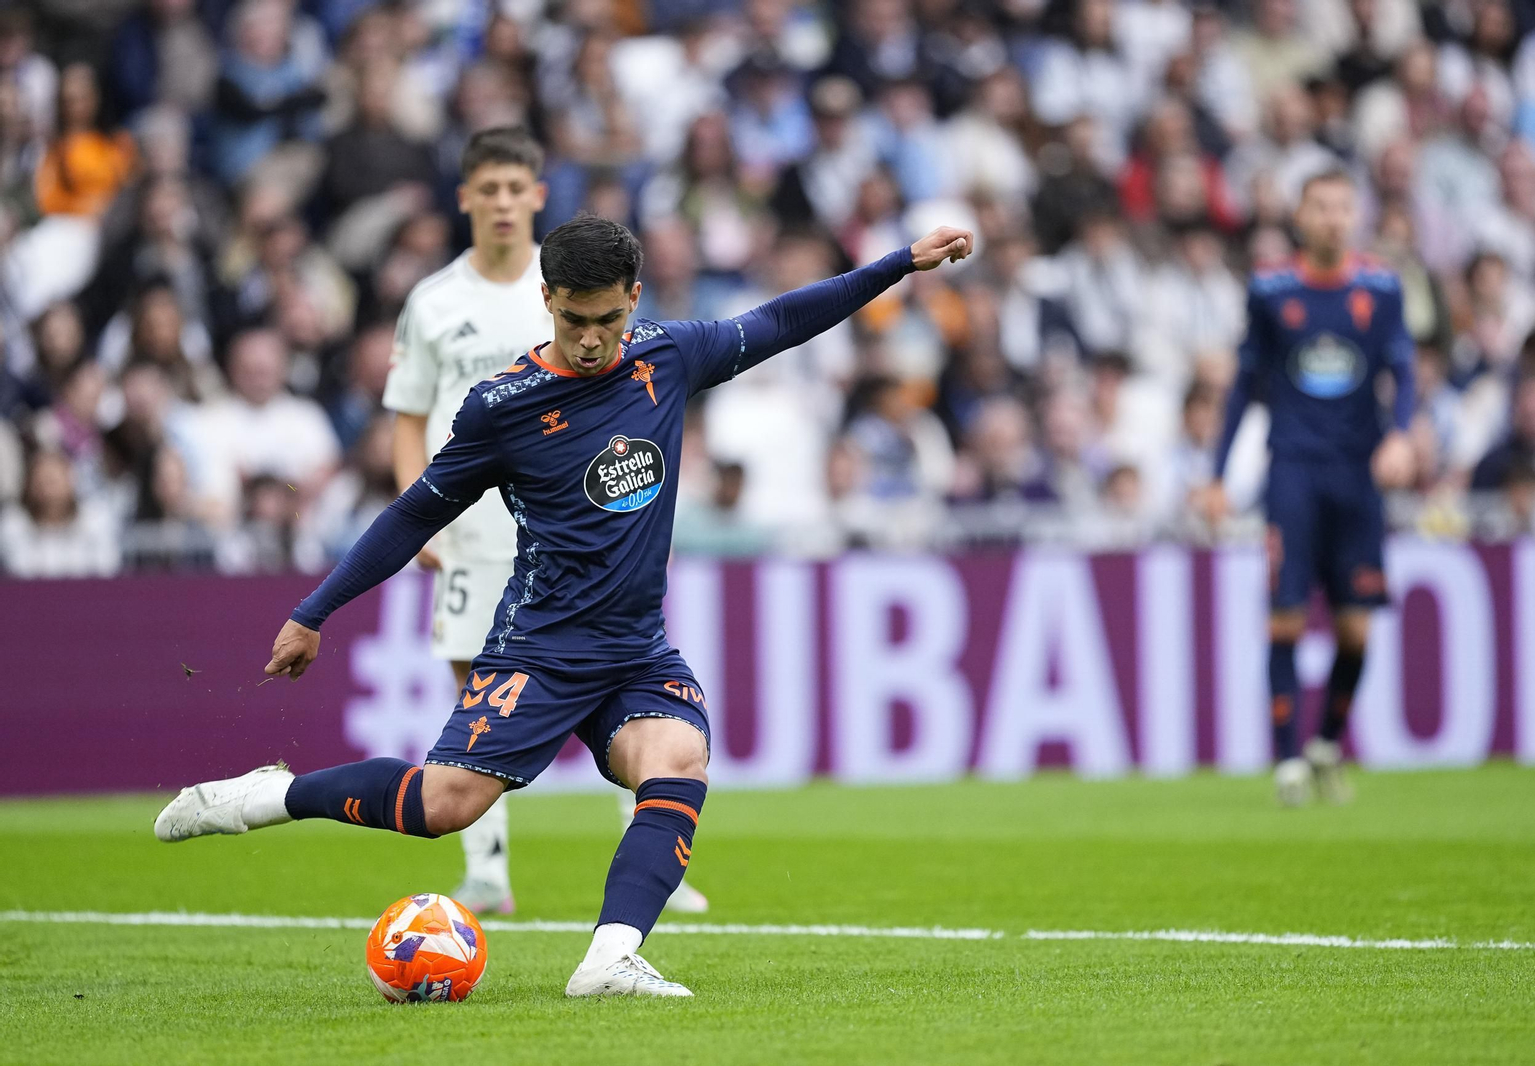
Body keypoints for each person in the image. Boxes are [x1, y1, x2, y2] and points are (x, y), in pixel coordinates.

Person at [155, 214, 976, 997]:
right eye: (577, 319)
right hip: (538, 649)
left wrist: (900, 262)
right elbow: (414, 513)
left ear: (636, 298)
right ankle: (267, 796)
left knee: (678, 759)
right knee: (444, 808)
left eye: (610, 319)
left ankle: (611, 959)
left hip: (634, 649)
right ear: (547, 299)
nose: (593, 339)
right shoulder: (502, 407)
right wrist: (314, 611)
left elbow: (784, 318)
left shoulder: (669, 357)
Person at [381, 126, 709, 918]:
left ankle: (648, 842)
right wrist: (417, 514)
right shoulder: (434, 302)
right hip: (470, 528)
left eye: (513, 188)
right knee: (475, 688)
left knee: (620, 688)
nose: (500, 202)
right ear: (464, 198)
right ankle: (486, 866)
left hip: (578, 530)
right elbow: (408, 416)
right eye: (485, 188)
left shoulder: (575, 274)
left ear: (536, 194)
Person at [1200, 169, 1416, 807]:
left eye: (1341, 208)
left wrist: (1401, 435)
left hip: (1357, 473)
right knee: (1286, 616)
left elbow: (1402, 370)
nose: (1331, 218)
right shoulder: (1270, 289)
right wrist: (1216, 475)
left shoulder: (1381, 288)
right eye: (1319, 207)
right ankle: (1289, 760)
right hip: (1292, 469)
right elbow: (1244, 384)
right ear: (1300, 216)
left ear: (1355, 217)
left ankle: (1326, 742)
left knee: (1356, 633)